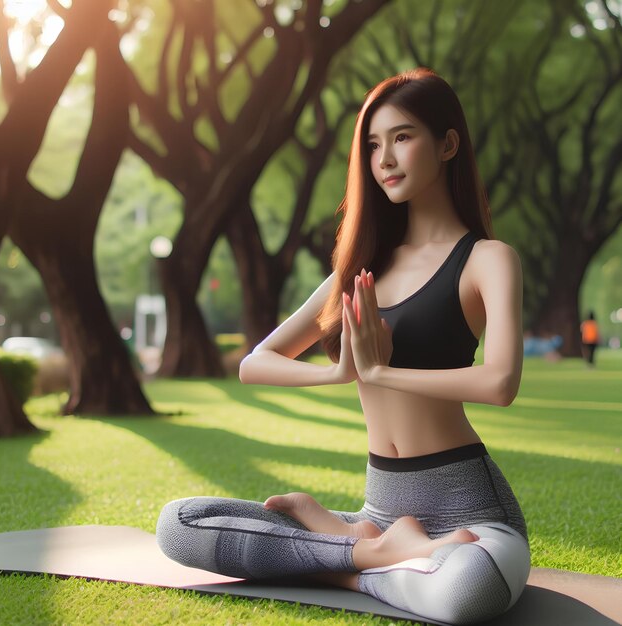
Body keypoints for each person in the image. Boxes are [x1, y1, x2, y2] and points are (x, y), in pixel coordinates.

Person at [156, 68, 530, 624]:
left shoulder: (487, 260)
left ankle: (344, 561)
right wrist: (337, 374)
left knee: (464, 594)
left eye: (403, 137)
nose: (384, 159)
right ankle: (374, 549)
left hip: (470, 517)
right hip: (379, 510)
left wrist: (382, 373)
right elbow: (254, 364)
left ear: (448, 143)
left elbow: (500, 382)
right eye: (373, 145)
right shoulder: (356, 271)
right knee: (179, 526)